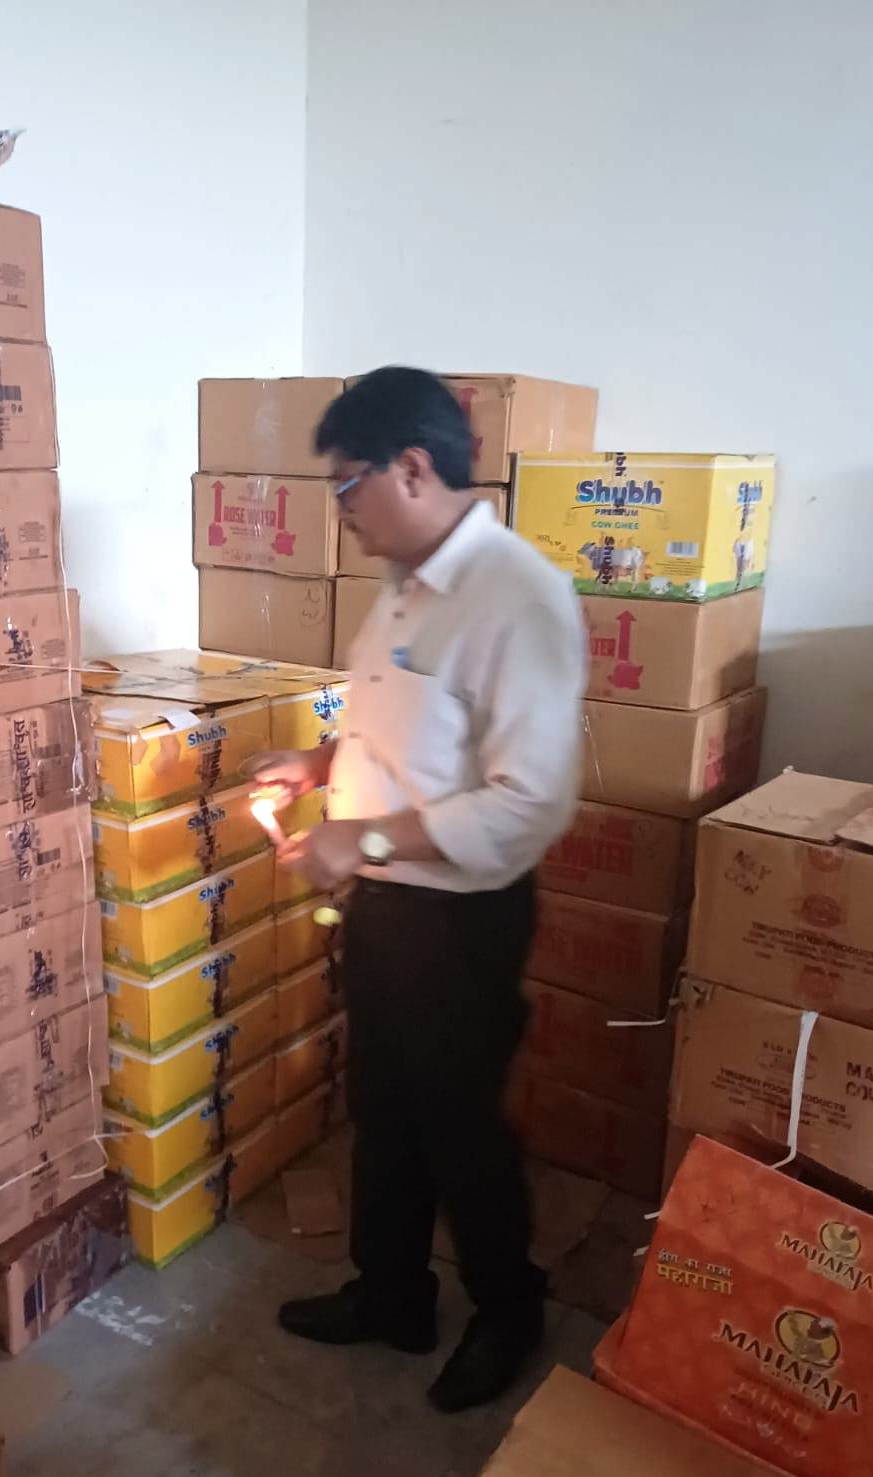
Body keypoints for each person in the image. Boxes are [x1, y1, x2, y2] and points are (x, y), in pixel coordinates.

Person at [251, 366, 586, 1414]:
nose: (339, 509)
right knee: (383, 1109)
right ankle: (391, 1292)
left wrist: (361, 837)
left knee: (459, 1126)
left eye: (347, 483)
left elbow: (528, 801)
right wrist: (318, 763)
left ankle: (508, 1309)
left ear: (412, 467)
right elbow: (405, 732)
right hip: (389, 905)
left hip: (462, 919)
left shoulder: (519, 597)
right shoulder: (404, 581)